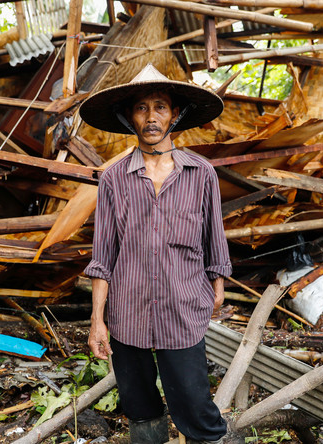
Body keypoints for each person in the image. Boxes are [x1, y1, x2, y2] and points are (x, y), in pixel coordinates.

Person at [81, 64, 232, 444]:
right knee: (139, 403)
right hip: (127, 310)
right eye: (142, 108)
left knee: (195, 403)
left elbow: (214, 238)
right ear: (128, 117)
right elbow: (103, 255)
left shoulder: (201, 173)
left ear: (175, 114)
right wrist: (97, 321)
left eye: (160, 107)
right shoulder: (114, 178)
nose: (151, 117)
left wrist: (217, 286)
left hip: (183, 306)